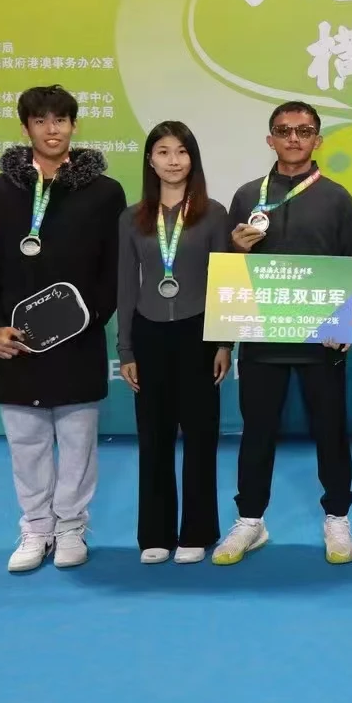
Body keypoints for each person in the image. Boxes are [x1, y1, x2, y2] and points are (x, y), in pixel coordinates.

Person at [0, 85, 126, 573]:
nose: (51, 129)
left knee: (78, 443)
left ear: (74, 125)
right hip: (15, 342)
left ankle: (71, 526)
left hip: (77, 338)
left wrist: (85, 319)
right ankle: (36, 528)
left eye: (60, 120)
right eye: (40, 121)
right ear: (26, 128)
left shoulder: (104, 192)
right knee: (27, 443)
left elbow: (114, 269)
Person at [211, 101, 352, 566]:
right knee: (257, 431)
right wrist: (235, 251)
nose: (294, 138)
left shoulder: (337, 197)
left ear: (318, 139)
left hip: (322, 337)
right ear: (270, 139)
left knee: (330, 431)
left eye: (304, 130)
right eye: (284, 130)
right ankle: (250, 520)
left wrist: (345, 319)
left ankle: (337, 517)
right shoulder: (246, 196)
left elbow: (351, 263)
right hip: (261, 335)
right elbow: (229, 271)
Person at [116, 121, 234, 565]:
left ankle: (198, 531)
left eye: (181, 152)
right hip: (149, 333)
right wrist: (126, 348)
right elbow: (126, 286)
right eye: (163, 152)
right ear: (150, 160)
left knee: (201, 437)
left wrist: (224, 342)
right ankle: (155, 534)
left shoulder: (214, 213)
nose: (173, 161)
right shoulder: (132, 217)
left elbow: (224, 279)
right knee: (154, 437)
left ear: (193, 159)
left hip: (199, 334)